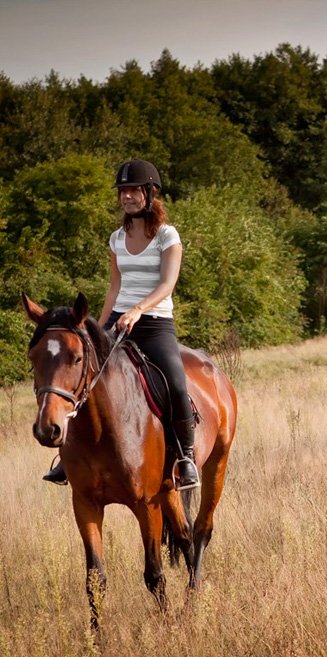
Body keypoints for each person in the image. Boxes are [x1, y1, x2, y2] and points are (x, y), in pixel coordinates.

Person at [43, 159, 200, 490]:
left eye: (133, 190)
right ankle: (68, 459)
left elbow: (167, 285)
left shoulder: (167, 237)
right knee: (83, 379)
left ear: (149, 192)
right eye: (122, 191)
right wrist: (93, 330)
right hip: (117, 321)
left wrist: (139, 310)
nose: (126, 197)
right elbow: (115, 287)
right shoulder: (116, 238)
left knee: (175, 383)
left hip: (155, 322)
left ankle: (185, 458)